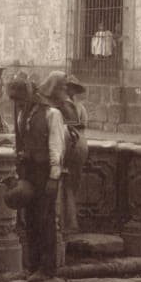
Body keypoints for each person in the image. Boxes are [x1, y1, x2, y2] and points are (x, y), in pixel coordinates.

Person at [16, 71, 67, 282]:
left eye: (21, 99)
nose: (18, 103)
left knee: (45, 219)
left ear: (32, 95)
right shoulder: (22, 115)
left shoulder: (51, 114)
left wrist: (54, 176)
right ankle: (33, 265)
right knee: (30, 219)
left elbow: (56, 145)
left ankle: (47, 268)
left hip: (45, 172)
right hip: (29, 172)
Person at [60, 75, 89, 235]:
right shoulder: (63, 104)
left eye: (73, 88)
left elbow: (83, 127)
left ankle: (69, 221)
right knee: (69, 185)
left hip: (75, 145)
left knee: (71, 183)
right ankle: (70, 221)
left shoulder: (78, 107)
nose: (70, 90)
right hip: (74, 144)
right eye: (68, 87)